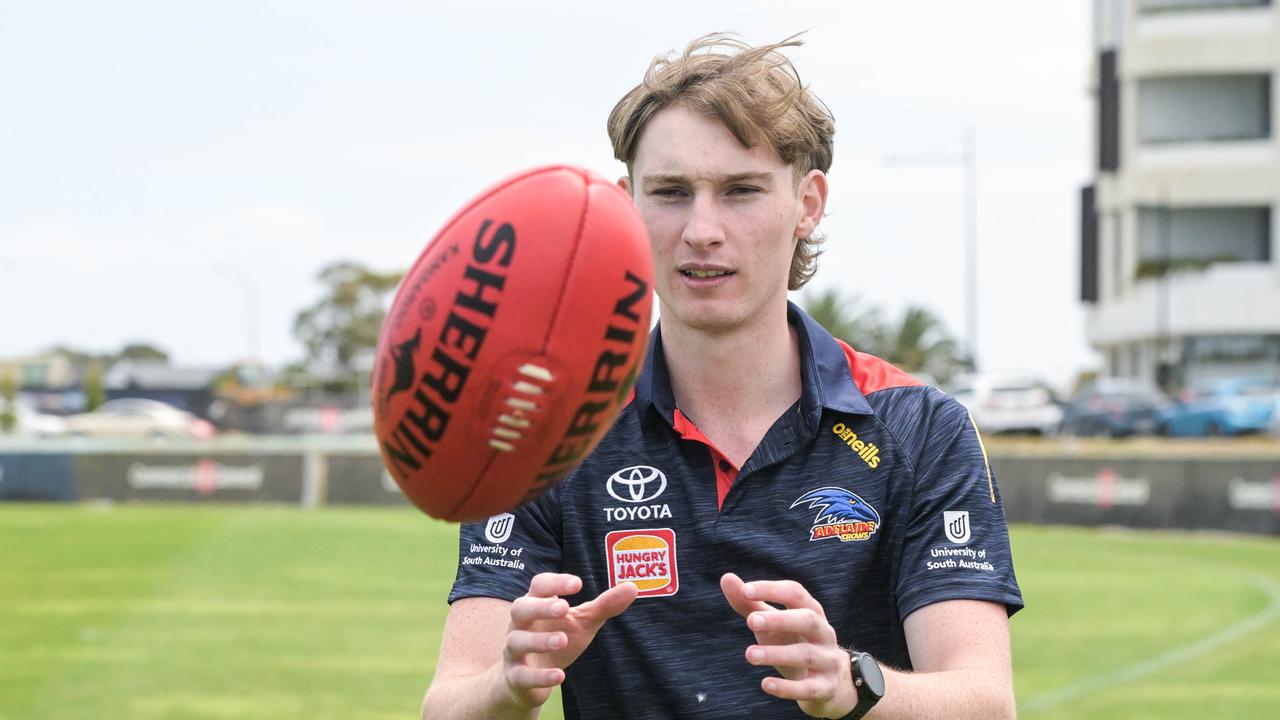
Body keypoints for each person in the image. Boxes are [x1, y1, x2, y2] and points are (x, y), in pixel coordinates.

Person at [423, 33, 1022, 720]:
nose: (701, 229)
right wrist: (508, 684)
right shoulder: (550, 431)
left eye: (741, 191)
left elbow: (985, 701)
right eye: (671, 193)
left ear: (808, 204)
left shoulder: (919, 426)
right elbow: (448, 704)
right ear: (628, 206)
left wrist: (849, 684)